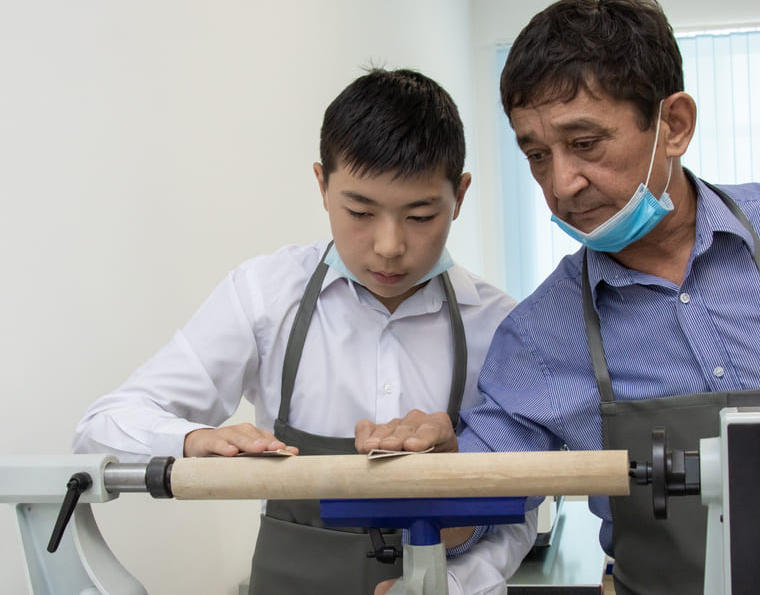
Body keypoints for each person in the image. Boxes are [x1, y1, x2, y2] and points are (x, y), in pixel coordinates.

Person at [359, 0, 760, 595]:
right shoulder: (540, 333)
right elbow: (478, 507)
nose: (562, 184)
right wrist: (435, 475)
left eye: (584, 144)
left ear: (674, 125)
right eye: (537, 156)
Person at [73, 68, 535, 595]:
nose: (389, 246)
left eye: (420, 216)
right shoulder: (264, 295)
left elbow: (520, 505)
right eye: (360, 211)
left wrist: (453, 583)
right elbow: (100, 427)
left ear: (460, 195)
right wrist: (193, 440)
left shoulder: (501, 326)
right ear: (322, 185)